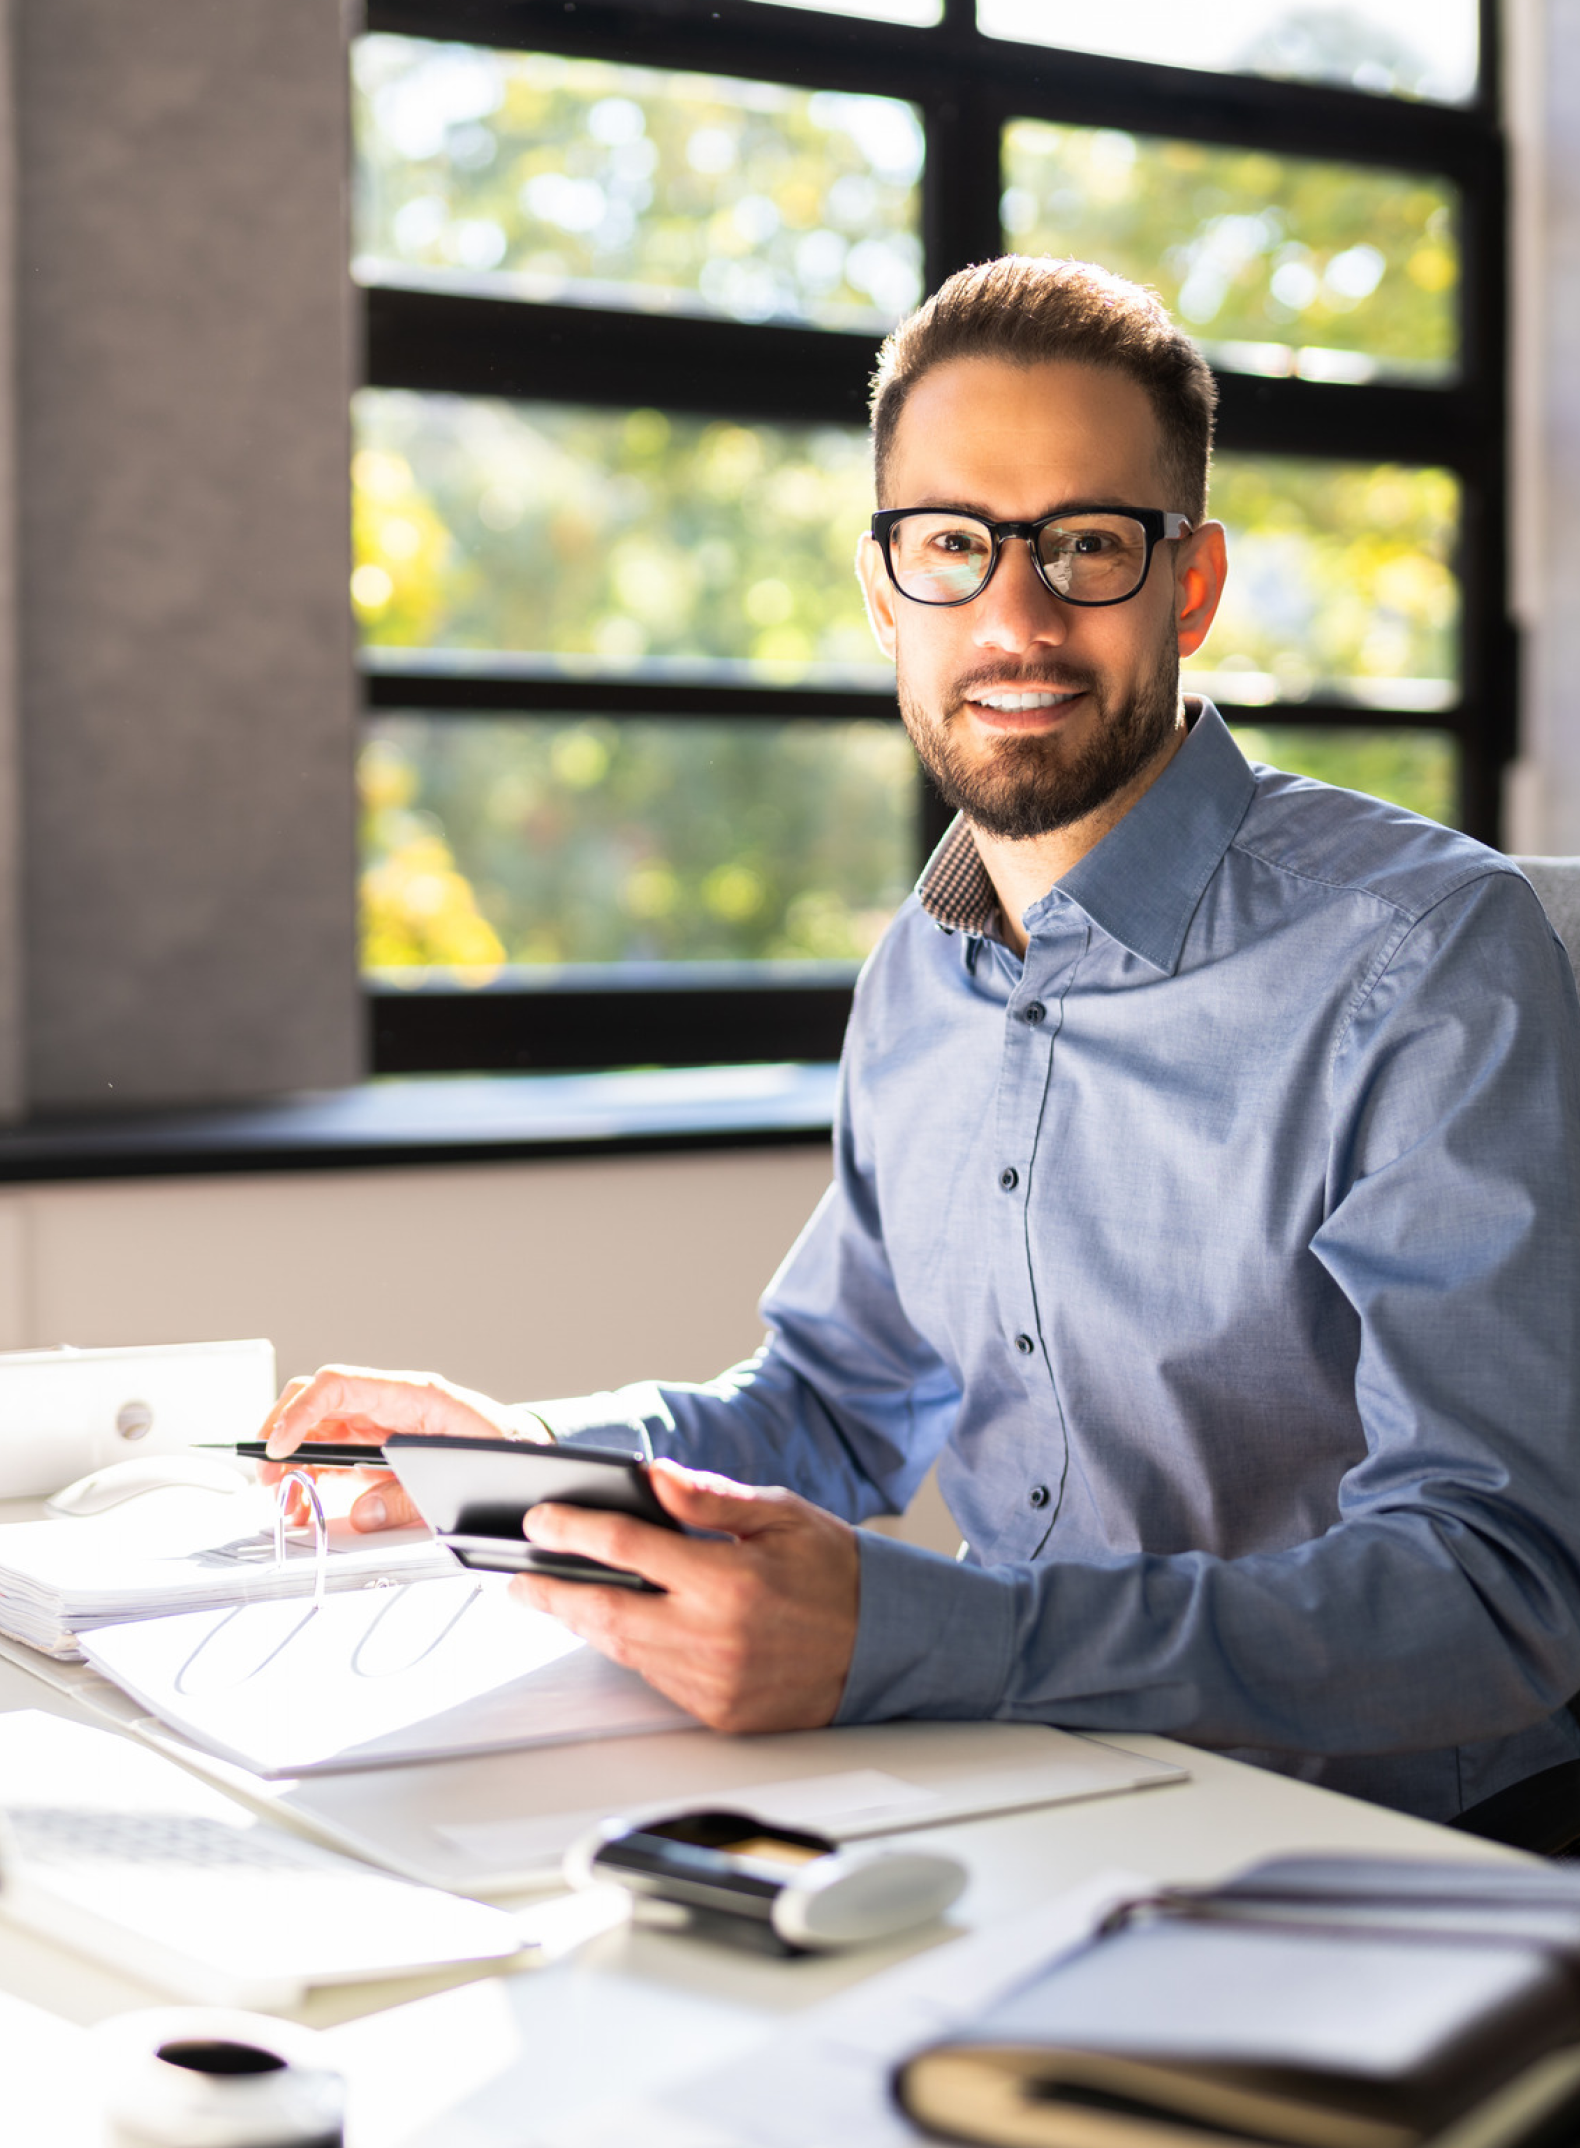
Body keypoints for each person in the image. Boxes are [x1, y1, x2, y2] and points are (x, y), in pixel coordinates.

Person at [265, 256, 1580, 1830]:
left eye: (1088, 545)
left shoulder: (1430, 958)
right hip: (1025, 1796)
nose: (1016, 618)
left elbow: (1498, 1591)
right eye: (955, 545)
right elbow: (835, 1402)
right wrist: (527, 1454)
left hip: (1393, 1849)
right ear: (888, 593)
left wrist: (923, 1636)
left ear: (1194, 585)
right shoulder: (922, 972)